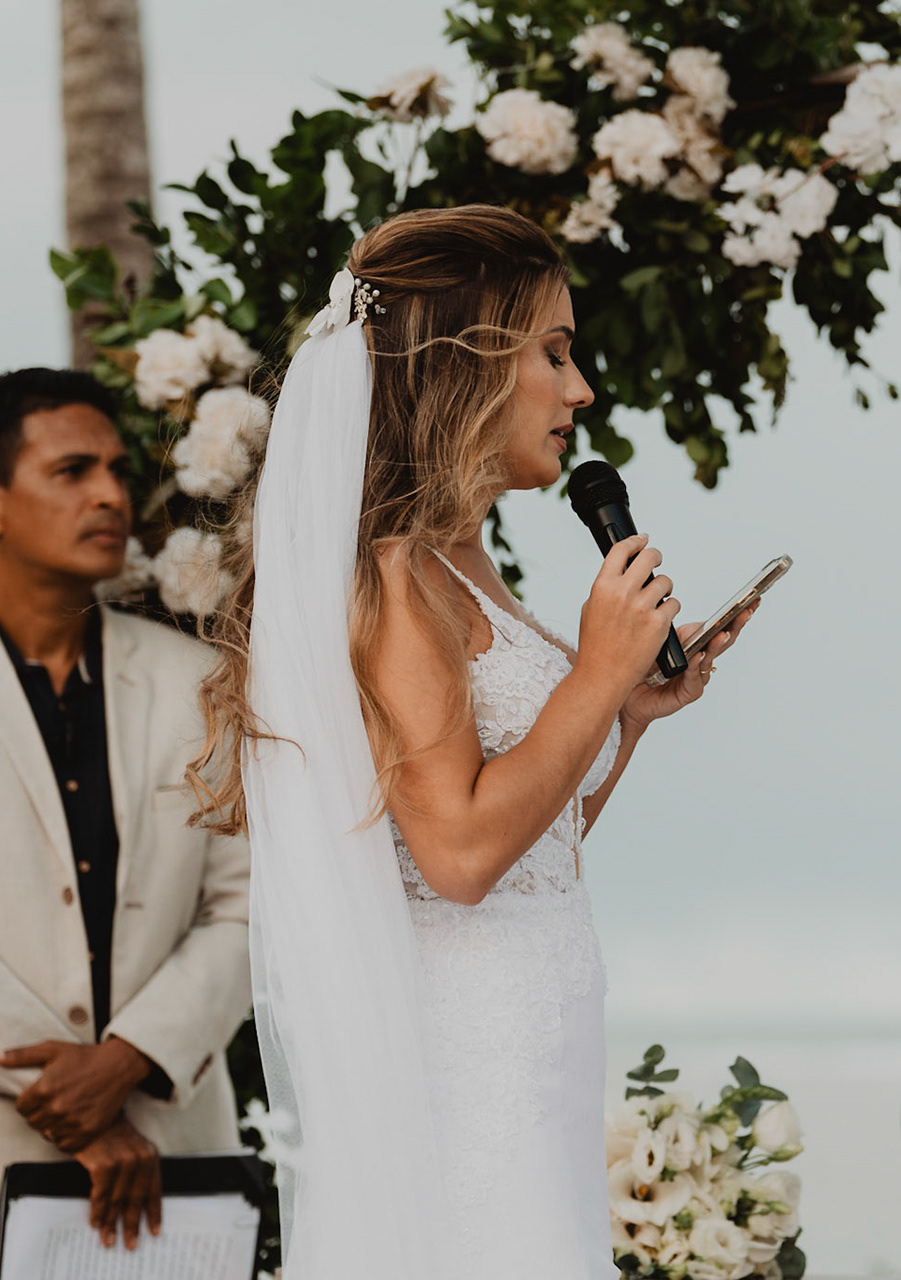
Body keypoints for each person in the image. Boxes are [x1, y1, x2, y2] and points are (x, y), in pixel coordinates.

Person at [190, 204, 756, 1277]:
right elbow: (457, 855)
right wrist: (593, 671)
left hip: (535, 1046)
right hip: (465, 1069)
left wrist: (623, 717)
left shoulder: (465, 560)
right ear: (464, 367)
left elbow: (533, 840)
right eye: (554, 351)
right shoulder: (399, 574)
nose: (580, 389)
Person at [0, 369, 252, 1280]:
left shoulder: (199, 680)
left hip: (173, 1167)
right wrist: (76, 1103)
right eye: (71, 471)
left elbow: (248, 906)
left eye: (114, 467)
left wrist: (134, 1058)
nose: (109, 492)